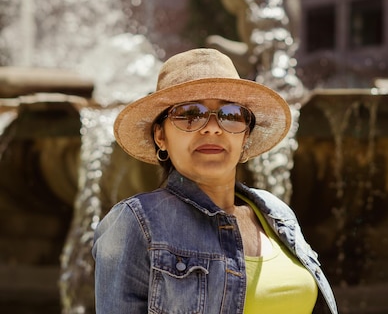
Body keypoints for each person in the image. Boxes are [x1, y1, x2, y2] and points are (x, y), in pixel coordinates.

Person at [92, 48, 338, 314]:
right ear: (160, 136)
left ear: (245, 137)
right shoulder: (136, 222)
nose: (212, 127)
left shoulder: (277, 213)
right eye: (189, 114)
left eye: (230, 114)